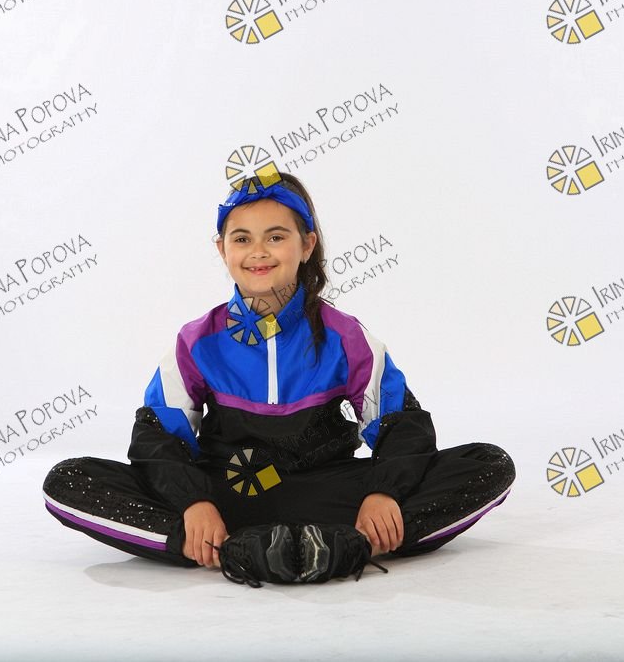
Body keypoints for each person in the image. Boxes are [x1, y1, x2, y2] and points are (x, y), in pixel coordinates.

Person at [42, 173, 515, 586]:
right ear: (222, 249)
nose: (258, 252)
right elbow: (157, 439)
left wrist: (382, 494)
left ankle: (345, 543)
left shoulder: (346, 337)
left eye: (275, 236)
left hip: (328, 493)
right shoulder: (196, 341)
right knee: (68, 479)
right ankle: (236, 546)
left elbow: (402, 426)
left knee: (489, 464)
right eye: (241, 238)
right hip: (228, 496)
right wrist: (193, 504)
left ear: (306, 245)